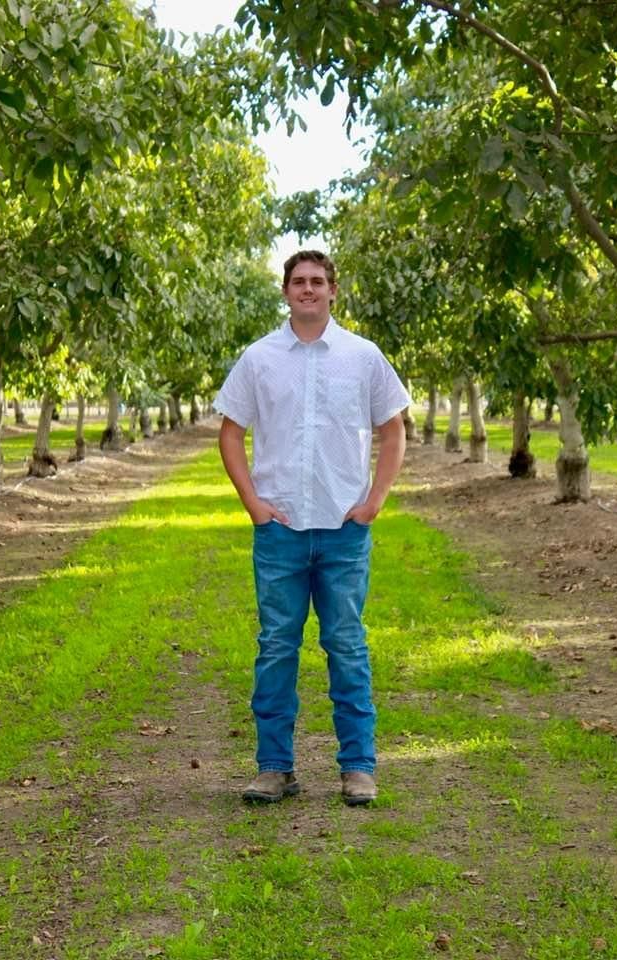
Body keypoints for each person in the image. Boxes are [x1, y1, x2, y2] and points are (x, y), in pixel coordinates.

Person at [213, 250, 410, 805]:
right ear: (284, 291)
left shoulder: (363, 357)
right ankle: (274, 768)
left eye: (317, 282)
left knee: (347, 646)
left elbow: (393, 431)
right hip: (280, 532)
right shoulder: (258, 358)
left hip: (344, 532)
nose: (308, 289)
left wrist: (373, 502)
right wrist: (254, 505)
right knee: (276, 647)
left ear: (333, 291)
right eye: (298, 281)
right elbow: (230, 433)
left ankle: (358, 768)